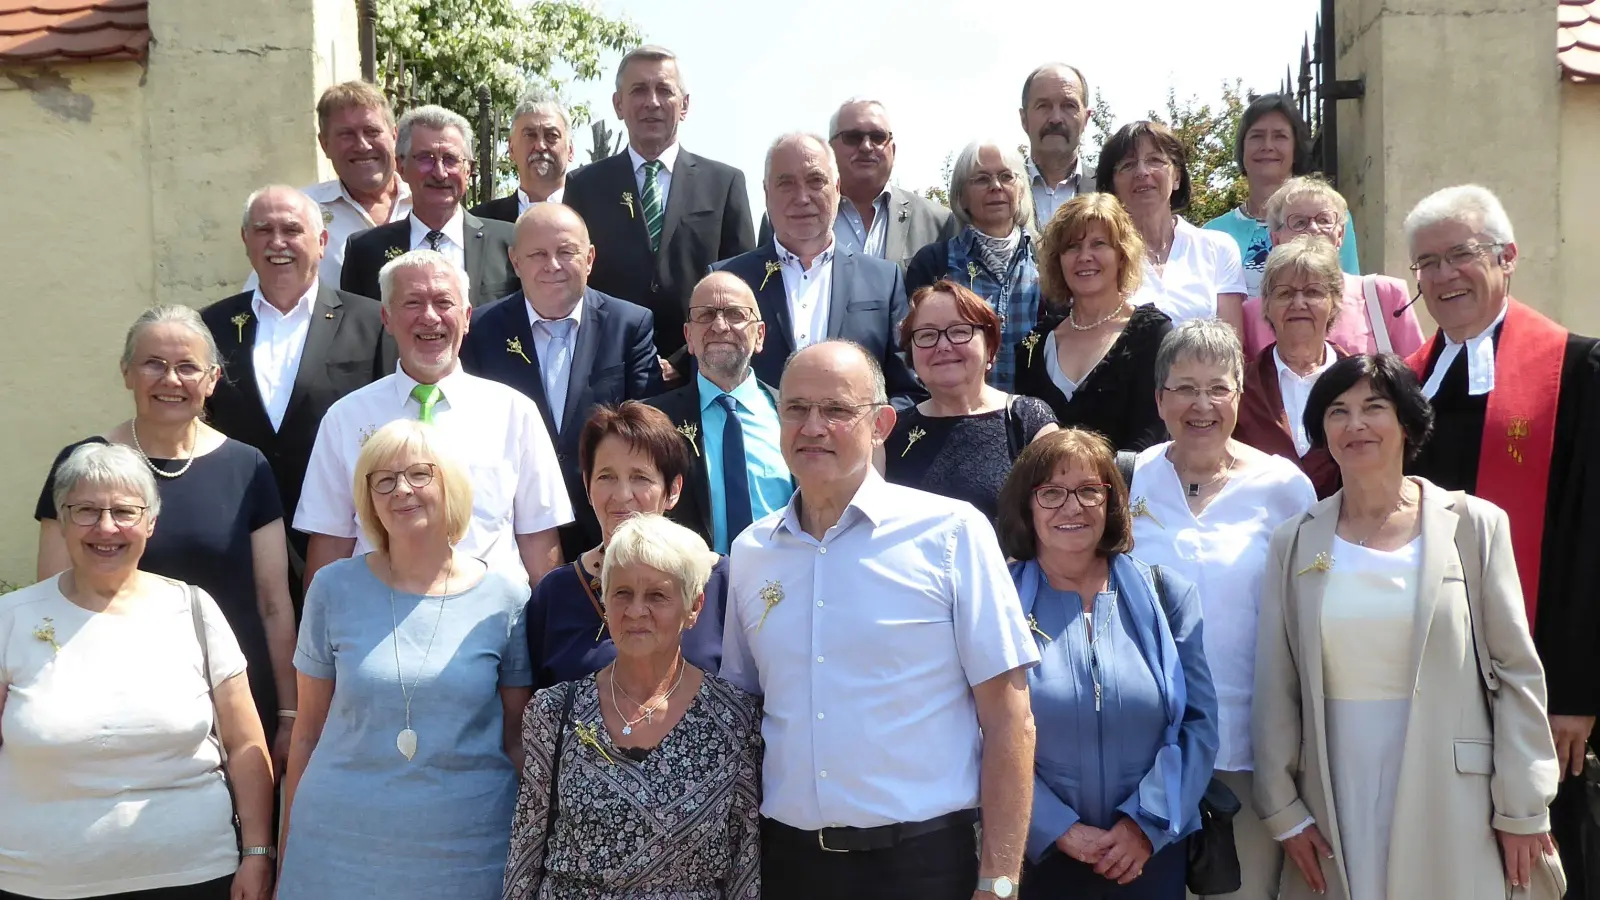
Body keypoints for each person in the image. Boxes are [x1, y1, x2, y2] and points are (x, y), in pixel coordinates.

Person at [721, 340, 1039, 900]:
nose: (813, 426)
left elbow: (1010, 718)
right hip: (791, 866)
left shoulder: (951, 533)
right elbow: (744, 711)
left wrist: (1000, 879)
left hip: (921, 866)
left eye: (836, 410)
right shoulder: (751, 552)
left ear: (882, 425)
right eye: (796, 408)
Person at [1254, 353, 1564, 900]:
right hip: (1335, 781)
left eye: (1374, 407)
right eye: (1337, 411)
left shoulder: (1474, 525)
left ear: (1406, 423)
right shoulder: (1294, 540)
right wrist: (1284, 808)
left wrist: (1523, 805)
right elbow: (1277, 684)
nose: (1355, 424)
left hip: (1453, 787)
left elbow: (1516, 671)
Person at [1402, 184, 1600, 895]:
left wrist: (1576, 690)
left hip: (1543, 680)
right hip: (1435, 677)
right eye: (1427, 263)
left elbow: (1590, 540)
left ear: (1507, 257)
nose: (1444, 275)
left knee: (1546, 864)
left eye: (1461, 254)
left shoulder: (1578, 372)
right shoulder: (1408, 387)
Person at [2, 443, 275, 900]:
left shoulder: (194, 610)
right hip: (38, 882)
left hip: (194, 876)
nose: (106, 527)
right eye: (86, 510)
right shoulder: (11, 619)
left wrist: (258, 852)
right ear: (62, 520)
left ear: (151, 522)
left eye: (125, 511)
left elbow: (246, 743)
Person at [35, 304, 298, 769]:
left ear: (212, 379)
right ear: (126, 373)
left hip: (234, 701)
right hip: (113, 701)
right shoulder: (82, 467)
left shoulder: (247, 467)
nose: (171, 380)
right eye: (153, 364)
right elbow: (52, 600)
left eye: (187, 367)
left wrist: (289, 714)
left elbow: (273, 602)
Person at [278, 420, 532, 899]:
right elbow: (307, 734)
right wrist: (287, 856)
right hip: (335, 851)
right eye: (384, 479)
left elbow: (516, 738)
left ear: (450, 484)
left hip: (470, 853)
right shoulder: (332, 588)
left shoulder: (506, 597)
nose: (401, 490)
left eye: (419, 474)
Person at [1127, 318, 1317, 900]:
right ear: (1159, 399)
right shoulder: (1128, 480)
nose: (1201, 405)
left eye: (1217, 388)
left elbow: (1310, 616)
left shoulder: (1283, 487)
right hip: (1145, 754)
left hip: (1248, 749)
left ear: (1239, 395)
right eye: (1185, 388)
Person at [996, 428, 1218, 898]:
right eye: (1051, 493)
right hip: (1036, 855)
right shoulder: (996, 604)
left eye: (1088, 491)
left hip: (1147, 855)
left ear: (1111, 501)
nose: (1071, 507)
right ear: (1026, 506)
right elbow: (976, 729)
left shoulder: (1168, 595)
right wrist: (1054, 826)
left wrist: (1145, 825)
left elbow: (1198, 725)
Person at [505, 513, 761, 899]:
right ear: (605, 601)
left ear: (694, 607)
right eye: (622, 593)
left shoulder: (734, 718)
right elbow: (525, 855)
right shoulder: (554, 713)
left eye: (657, 596)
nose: (636, 610)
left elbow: (746, 862)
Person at [295, 250, 572, 590]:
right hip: (380, 613)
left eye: (443, 302)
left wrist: (550, 621)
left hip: (491, 616)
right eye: (412, 303)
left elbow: (539, 541)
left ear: (466, 317)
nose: (429, 317)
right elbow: (330, 544)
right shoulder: (345, 418)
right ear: (386, 317)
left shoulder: (515, 413)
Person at [203, 185, 394, 601]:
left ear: (322, 241)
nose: (278, 243)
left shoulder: (372, 323)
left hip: (343, 541)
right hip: (238, 540)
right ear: (246, 241)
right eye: (263, 230)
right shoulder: (211, 327)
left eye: (291, 230)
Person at [460, 203, 663, 559]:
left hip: (610, 525)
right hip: (514, 531)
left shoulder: (629, 325)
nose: (552, 265)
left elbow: (647, 431)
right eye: (537, 254)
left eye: (566, 252)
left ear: (590, 258)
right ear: (515, 261)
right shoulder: (479, 330)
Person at [564, 44, 756, 373]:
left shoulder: (724, 183)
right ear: (618, 104)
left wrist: (685, 359)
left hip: (701, 369)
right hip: (610, 368)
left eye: (664, 90)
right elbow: (575, 281)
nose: (652, 102)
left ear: (684, 105)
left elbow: (741, 283)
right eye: (639, 90)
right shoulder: (584, 186)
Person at [524, 402, 729, 688]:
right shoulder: (556, 593)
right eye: (606, 477)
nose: (622, 495)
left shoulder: (721, 583)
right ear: (587, 485)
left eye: (640, 478)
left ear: (673, 490)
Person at [712, 132, 921, 407]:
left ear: (837, 188)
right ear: (766, 193)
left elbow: (908, 390)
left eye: (815, 181)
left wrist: (869, 429)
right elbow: (708, 384)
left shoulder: (884, 281)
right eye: (786, 183)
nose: (802, 197)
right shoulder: (727, 282)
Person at [885, 280, 1057, 521]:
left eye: (959, 331)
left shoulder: (1028, 421)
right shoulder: (889, 433)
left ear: (990, 346)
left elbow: (1056, 514)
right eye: (927, 335)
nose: (943, 345)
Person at [1015, 193, 1172, 451]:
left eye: (1099, 244)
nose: (1084, 256)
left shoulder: (1153, 334)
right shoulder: (1035, 342)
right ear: (1057, 259)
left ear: (1122, 254)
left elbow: (1152, 436)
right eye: (1072, 247)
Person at [647, 272, 791, 552]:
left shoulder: (793, 415)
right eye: (706, 315)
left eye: (736, 314)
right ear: (688, 337)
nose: (720, 325)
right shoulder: (654, 420)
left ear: (760, 335)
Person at [340, 105, 519, 307]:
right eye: (426, 158)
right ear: (401, 167)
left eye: (450, 159)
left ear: (468, 169)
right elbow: (357, 324)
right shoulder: (365, 251)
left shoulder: (510, 242)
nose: (440, 173)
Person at [242, 80, 411, 291]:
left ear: (394, 136)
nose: (362, 145)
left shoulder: (428, 205)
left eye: (372, 131)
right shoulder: (299, 212)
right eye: (346, 134)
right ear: (325, 144)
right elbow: (263, 296)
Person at [1237, 176, 1423, 360]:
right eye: (1299, 222)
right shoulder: (1251, 314)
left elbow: (1417, 372)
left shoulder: (1385, 295)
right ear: (1275, 239)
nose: (1314, 228)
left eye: (1324, 220)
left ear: (1340, 234)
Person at [905, 139, 1040, 391]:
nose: (996, 187)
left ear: (1021, 189)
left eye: (1006, 177)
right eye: (981, 179)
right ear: (961, 196)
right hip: (953, 409)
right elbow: (913, 352)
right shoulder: (934, 264)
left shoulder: (1045, 259)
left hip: (1033, 411)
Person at [1202, 94, 1361, 296]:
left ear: (1296, 147)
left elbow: (1350, 295)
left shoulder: (1328, 220)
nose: (1267, 146)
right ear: (1242, 148)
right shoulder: (1213, 233)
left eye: (1280, 136)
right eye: (1257, 136)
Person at [1098, 121, 1246, 333]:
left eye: (1155, 160)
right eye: (1128, 165)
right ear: (1112, 185)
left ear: (1177, 177)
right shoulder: (1101, 256)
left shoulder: (1218, 248)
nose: (1142, 172)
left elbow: (1231, 343)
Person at [1235, 237, 1350, 498]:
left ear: (1334, 301)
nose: (1298, 303)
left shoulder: (1362, 384)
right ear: (1266, 305)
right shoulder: (1241, 388)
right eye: (1285, 293)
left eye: (1313, 292)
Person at [470, 89, 571, 222]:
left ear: (571, 150)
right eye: (530, 135)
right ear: (511, 149)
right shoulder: (481, 220)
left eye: (552, 135)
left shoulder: (594, 214)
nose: (540, 146)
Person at [1019, 63, 1097, 230]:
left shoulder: (1109, 189)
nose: (1056, 119)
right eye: (1043, 106)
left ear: (1086, 118)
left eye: (1068, 105)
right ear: (1024, 119)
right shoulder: (999, 194)